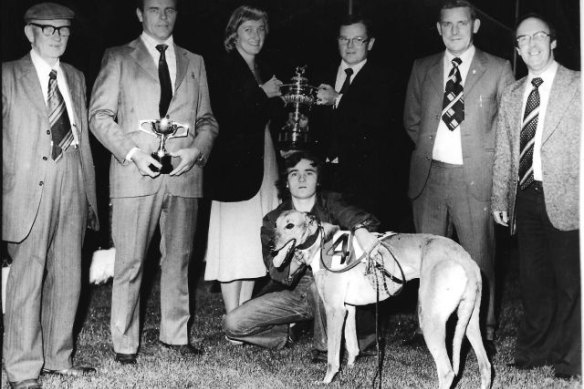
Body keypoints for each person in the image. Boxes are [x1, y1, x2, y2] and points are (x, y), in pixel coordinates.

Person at [89, 0, 218, 365]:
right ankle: (125, 344)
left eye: (170, 10)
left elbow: (208, 120)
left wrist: (194, 152)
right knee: (129, 262)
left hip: (184, 176)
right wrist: (132, 152)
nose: (163, 17)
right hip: (134, 175)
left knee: (179, 260)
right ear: (139, 13)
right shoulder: (117, 56)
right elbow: (99, 116)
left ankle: (175, 336)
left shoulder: (195, 60)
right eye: (154, 9)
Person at [403, 0, 514, 353]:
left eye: (461, 24)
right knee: (430, 260)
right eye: (447, 24)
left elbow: (508, 129)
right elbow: (412, 121)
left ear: (475, 26)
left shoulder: (498, 68)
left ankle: (485, 331)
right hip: (430, 178)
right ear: (438, 28)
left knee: (479, 258)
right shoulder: (422, 67)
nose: (454, 30)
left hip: (475, 180)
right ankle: (430, 330)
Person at [2, 3, 99, 388]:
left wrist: (90, 193)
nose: (57, 36)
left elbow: (82, 136)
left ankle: (59, 358)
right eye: (48, 29)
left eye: (63, 30)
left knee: (68, 274)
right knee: (27, 278)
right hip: (27, 187)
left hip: (72, 177)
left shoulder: (74, 76)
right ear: (30, 33)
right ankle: (23, 370)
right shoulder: (8, 74)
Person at [223, 151, 381, 363]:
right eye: (294, 173)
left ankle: (325, 349)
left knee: (320, 285)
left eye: (309, 172)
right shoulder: (274, 219)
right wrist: (296, 259)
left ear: (318, 180)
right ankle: (284, 336)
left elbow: (361, 219)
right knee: (232, 324)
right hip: (295, 291)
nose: (302, 178)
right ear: (286, 183)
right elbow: (275, 273)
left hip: (334, 285)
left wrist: (360, 229)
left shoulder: (331, 203)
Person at [491, 14, 580, 379]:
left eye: (538, 36)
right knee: (533, 281)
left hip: (571, 197)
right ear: (517, 49)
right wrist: (500, 197)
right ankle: (535, 350)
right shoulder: (513, 93)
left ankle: (573, 357)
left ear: (553, 41)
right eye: (522, 39)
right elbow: (504, 150)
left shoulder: (578, 84)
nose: (531, 44)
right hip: (526, 198)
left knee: (572, 283)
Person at [204, 5, 283, 314]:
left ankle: (244, 312)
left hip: (263, 165)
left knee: (254, 239)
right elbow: (225, 117)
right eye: (248, 30)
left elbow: (266, 117)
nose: (256, 36)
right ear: (233, 34)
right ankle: (231, 313)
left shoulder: (261, 69)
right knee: (231, 241)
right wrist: (262, 94)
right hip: (233, 171)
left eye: (261, 30)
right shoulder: (222, 67)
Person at [314, 15, 403, 230]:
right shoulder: (320, 73)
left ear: (370, 43)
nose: (350, 45)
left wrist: (338, 99)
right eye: (344, 39)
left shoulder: (387, 78)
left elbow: (380, 121)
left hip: (364, 183)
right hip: (323, 178)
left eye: (358, 39)